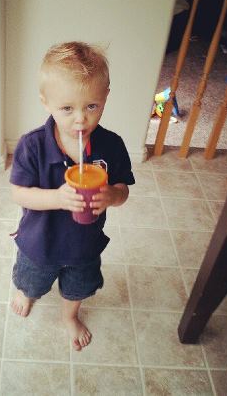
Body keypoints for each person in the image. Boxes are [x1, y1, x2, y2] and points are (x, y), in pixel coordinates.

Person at [9, 41, 135, 351]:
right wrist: (57, 198)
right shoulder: (32, 146)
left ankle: (69, 317)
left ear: (105, 98)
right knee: (31, 280)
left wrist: (112, 196)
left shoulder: (112, 146)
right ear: (46, 102)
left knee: (78, 287)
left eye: (91, 106)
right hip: (39, 242)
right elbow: (19, 193)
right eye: (67, 108)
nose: (80, 119)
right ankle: (27, 294)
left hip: (84, 244)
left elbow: (123, 191)